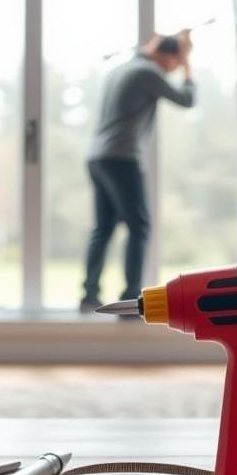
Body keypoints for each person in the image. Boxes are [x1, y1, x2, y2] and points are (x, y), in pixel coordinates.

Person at [81, 30, 196, 313]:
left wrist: (156, 48)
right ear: (167, 57)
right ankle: (132, 298)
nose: (174, 68)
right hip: (121, 158)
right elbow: (186, 99)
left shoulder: (124, 69)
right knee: (139, 226)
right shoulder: (148, 72)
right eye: (175, 62)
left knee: (103, 228)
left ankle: (89, 296)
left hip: (98, 157)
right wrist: (188, 64)